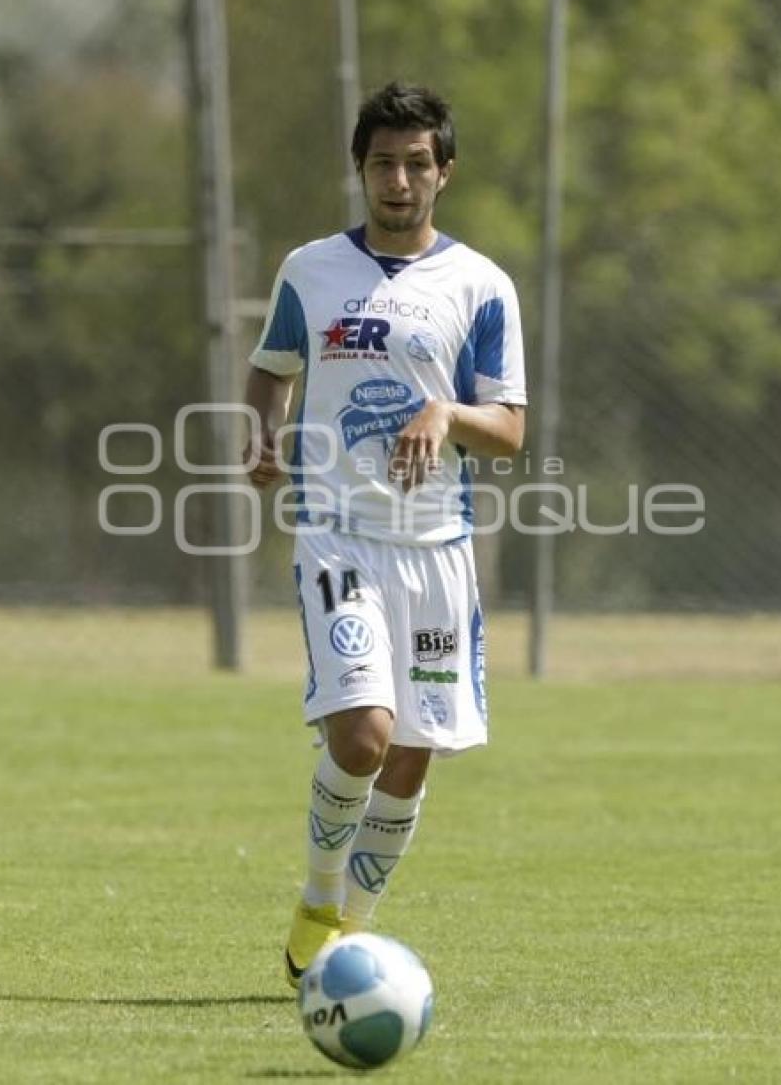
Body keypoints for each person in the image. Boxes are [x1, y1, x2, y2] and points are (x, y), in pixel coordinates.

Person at [244, 81, 527, 989]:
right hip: (339, 537)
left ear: (444, 171)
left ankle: (348, 937)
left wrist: (446, 414)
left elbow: (513, 429)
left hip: (439, 549)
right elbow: (270, 369)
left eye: (415, 163)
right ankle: (321, 901)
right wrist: (259, 431)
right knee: (362, 736)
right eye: (381, 164)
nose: (397, 180)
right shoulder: (310, 269)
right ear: (359, 170)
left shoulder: (482, 285)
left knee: (412, 750)